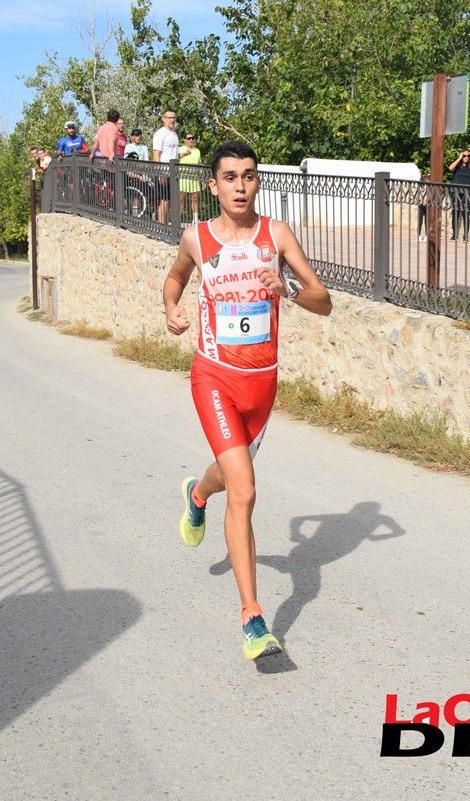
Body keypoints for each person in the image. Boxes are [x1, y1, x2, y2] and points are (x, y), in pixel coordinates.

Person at [162, 141, 332, 662]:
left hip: (263, 384)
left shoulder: (275, 236)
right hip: (214, 377)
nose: (240, 185)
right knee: (245, 489)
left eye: (249, 176)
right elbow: (175, 279)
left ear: (258, 182)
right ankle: (253, 618)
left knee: (226, 477)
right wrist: (171, 308)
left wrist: (284, 288)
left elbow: (323, 302)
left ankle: (196, 494)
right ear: (212, 185)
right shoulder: (197, 237)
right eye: (230, 177)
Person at [447, 149, 470, 241]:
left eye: (467, 156)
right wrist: (459, 158)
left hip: (466, 194)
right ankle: (455, 235)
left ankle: (465, 237)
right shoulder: (457, 167)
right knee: (455, 213)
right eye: (464, 156)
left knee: (465, 214)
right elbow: (450, 168)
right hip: (455, 193)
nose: (466, 157)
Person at [151, 110, 179, 224]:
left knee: (171, 201)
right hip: (164, 171)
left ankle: (166, 226)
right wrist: (159, 173)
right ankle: (162, 228)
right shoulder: (160, 133)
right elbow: (156, 154)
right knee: (164, 201)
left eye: (174, 117)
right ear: (164, 119)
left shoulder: (174, 134)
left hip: (174, 172)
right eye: (169, 117)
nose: (172, 120)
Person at [177, 133, 202, 223]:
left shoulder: (197, 151)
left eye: (192, 138)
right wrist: (184, 154)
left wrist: (202, 177)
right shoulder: (180, 149)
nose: (191, 140)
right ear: (185, 140)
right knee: (180, 199)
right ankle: (178, 219)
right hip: (183, 176)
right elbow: (176, 158)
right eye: (189, 138)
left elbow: (199, 164)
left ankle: (195, 219)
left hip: (194, 177)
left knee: (195, 198)